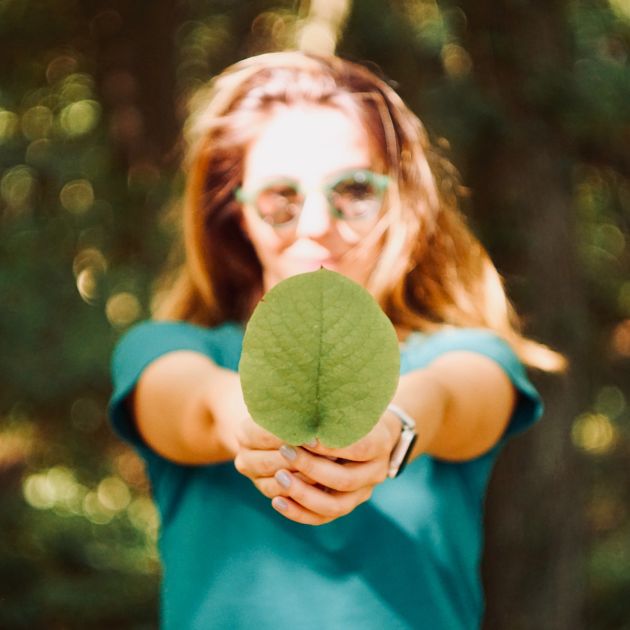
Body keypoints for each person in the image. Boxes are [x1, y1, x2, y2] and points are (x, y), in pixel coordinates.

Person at [108, 51, 565, 630]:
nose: (317, 223)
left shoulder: (467, 355)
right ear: (236, 213)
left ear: (398, 198)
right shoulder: (163, 349)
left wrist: (390, 428)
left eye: (353, 189)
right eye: (281, 196)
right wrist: (252, 422)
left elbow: (449, 399)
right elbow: (194, 405)